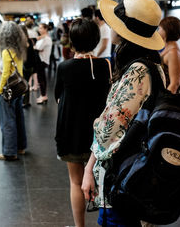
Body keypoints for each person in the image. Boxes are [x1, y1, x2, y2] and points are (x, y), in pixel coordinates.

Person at [81, 0, 165, 226]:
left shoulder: (136, 72)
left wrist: (89, 169)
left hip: (122, 177)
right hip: (140, 171)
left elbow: (109, 129)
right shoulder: (155, 67)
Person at [55, 18, 111, 227]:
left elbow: (59, 98)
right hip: (99, 136)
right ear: (96, 40)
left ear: (72, 41)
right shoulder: (105, 65)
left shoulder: (64, 67)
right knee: (103, 183)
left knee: (76, 182)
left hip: (70, 134)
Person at [0, 21, 28, 161]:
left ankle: (9, 152)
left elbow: (6, 74)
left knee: (7, 121)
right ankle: (21, 147)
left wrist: (0, 89)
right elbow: (18, 71)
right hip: (19, 88)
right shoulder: (20, 50)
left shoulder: (6, 51)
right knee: (19, 119)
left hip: (8, 90)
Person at [158, 16, 180, 94]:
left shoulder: (173, 52)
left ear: (166, 30)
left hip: (166, 96)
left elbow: (174, 83)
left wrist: (165, 101)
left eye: (159, 29)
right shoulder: (166, 47)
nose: (158, 32)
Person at [34, 23, 52, 104]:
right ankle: (43, 95)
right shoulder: (43, 38)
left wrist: (36, 48)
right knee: (41, 78)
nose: (39, 29)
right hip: (40, 60)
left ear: (45, 29)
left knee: (41, 79)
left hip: (42, 60)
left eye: (41, 28)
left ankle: (44, 96)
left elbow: (38, 48)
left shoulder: (46, 39)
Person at [20, 24, 36, 108]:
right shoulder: (29, 40)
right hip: (30, 66)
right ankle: (26, 101)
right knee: (26, 83)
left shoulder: (20, 42)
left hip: (24, 66)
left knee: (23, 84)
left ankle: (24, 101)